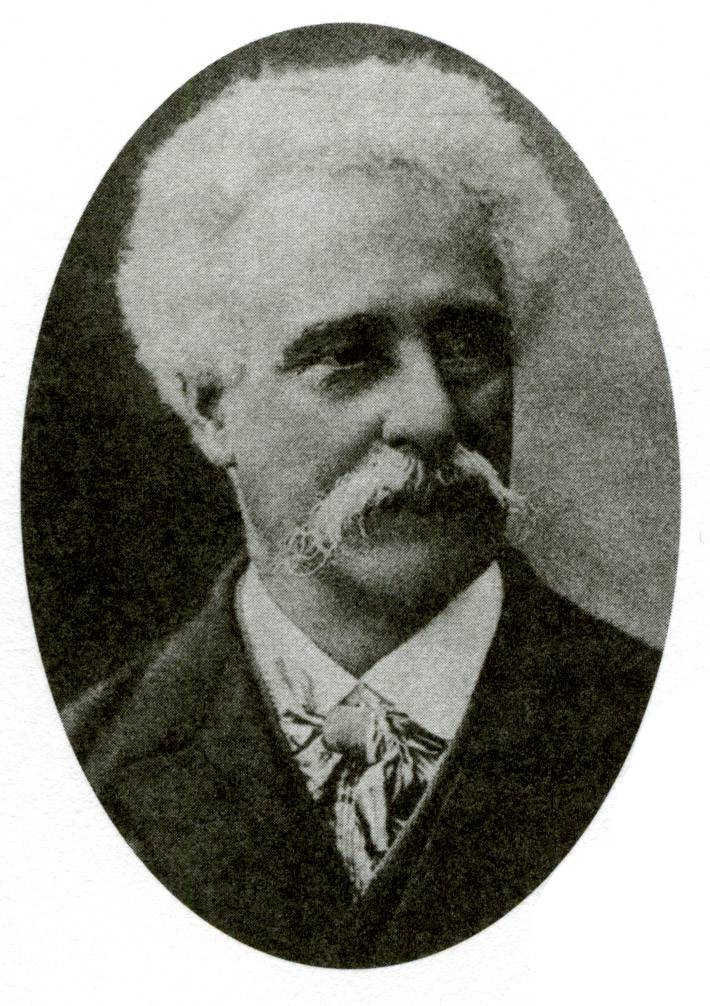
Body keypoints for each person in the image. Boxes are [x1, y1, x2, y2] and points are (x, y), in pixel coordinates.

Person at [62, 57, 659, 967]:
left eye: (468, 343)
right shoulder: (71, 775)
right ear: (210, 407)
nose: (432, 416)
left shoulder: (659, 728)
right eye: (347, 354)